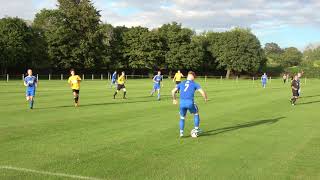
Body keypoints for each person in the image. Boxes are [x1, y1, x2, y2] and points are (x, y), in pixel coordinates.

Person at [172, 71, 208, 137]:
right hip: (189, 102)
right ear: (193, 77)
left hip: (182, 103)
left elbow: (173, 91)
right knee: (196, 112)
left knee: (182, 117)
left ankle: (181, 133)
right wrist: (205, 98)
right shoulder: (195, 84)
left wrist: (174, 99)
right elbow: (202, 92)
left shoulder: (181, 83)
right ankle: (196, 129)